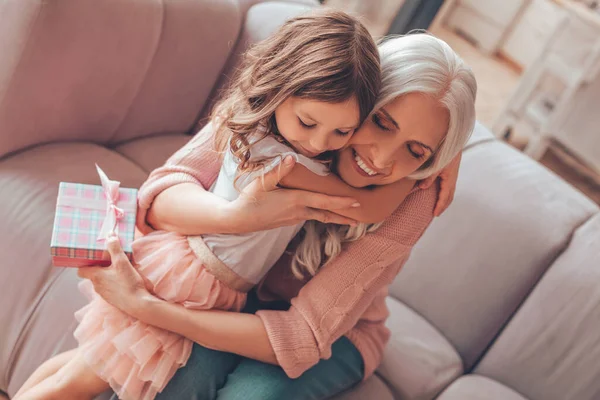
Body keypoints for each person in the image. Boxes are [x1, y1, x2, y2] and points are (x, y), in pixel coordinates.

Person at [14, 10, 389, 400]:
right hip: (192, 280)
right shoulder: (280, 160)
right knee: (80, 380)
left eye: (342, 131)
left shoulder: (264, 132)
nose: (318, 143)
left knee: (83, 363)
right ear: (277, 91)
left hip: (194, 271)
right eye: (307, 123)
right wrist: (428, 170)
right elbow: (365, 206)